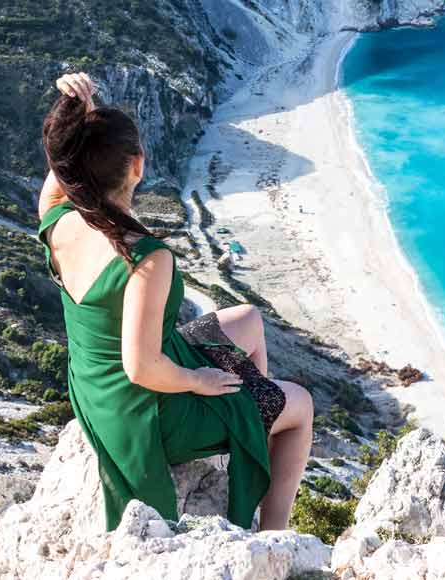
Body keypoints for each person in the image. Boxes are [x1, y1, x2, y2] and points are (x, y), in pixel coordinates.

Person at [36, 72, 312, 531]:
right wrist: (196, 381)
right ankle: (272, 532)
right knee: (301, 405)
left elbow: (60, 177)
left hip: (93, 387)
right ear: (138, 166)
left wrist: (75, 113)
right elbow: (141, 367)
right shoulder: (144, 256)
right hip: (143, 409)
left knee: (247, 319)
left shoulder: (57, 217)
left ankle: (244, 428)